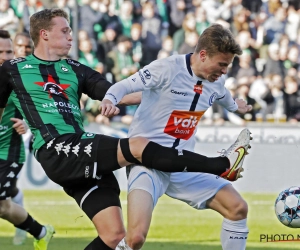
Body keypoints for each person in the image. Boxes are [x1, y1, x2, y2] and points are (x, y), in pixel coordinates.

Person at [0, 9, 250, 250]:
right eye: (65, 30)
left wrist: (160, 96)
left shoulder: (75, 69)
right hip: (57, 147)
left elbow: (112, 91)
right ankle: (221, 164)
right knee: (138, 147)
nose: (71, 36)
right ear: (44, 34)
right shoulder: (13, 69)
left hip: (82, 152)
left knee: (115, 237)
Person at [101, 24, 253, 250]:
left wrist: (236, 107)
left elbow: (226, 97)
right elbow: (124, 85)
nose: (224, 72)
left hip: (183, 165)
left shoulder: (216, 82)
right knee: (135, 239)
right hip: (147, 163)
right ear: (203, 55)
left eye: (227, 66)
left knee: (238, 208)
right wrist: (109, 99)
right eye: (222, 64)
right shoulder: (167, 68)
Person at [0, 29, 55, 250]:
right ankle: (41, 232)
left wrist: (27, 123)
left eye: (8, 51)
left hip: (7, 153)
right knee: (3, 207)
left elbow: (45, 109)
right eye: (0, 51)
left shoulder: (20, 79)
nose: (5, 56)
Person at [9, 31, 34, 245]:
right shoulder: (5, 70)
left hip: (19, 135)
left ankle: (28, 226)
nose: (24, 50)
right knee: (7, 189)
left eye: (28, 47)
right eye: (20, 46)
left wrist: (28, 123)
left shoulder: (33, 73)